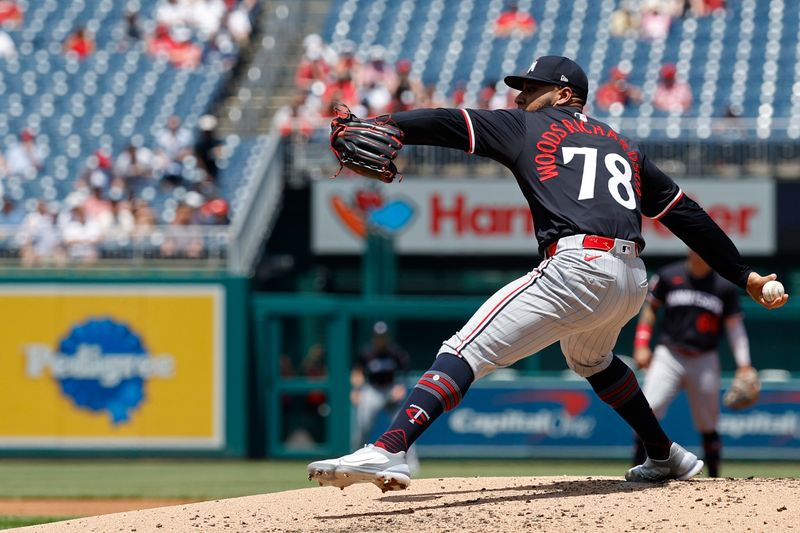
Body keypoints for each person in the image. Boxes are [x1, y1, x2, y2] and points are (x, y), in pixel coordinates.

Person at [307, 55, 787, 492]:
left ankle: (390, 448)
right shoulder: (623, 145)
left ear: (563, 95)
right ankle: (665, 455)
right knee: (592, 361)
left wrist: (387, 123)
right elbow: (686, 214)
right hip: (630, 278)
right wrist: (745, 276)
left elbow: (452, 123)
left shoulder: (527, 126)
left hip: (578, 266)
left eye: (530, 88)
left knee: (463, 349)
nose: (519, 97)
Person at [632, 249, 752, 477]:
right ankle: (637, 468)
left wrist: (744, 364)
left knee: (708, 423)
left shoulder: (724, 286)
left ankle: (715, 477)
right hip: (669, 355)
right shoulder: (669, 275)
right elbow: (650, 309)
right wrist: (641, 343)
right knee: (648, 409)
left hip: (705, 358)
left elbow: (734, 327)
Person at [350, 321, 419, 473]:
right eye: (378, 336)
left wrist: (400, 386)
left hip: (389, 389)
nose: (380, 339)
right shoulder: (367, 353)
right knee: (362, 427)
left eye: (383, 336)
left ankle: (412, 464)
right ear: (374, 337)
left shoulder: (394, 352)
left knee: (404, 426)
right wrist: (356, 389)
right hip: (372, 390)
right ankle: (354, 461)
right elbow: (357, 371)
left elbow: (406, 370)